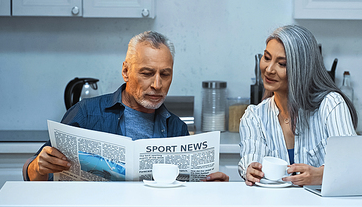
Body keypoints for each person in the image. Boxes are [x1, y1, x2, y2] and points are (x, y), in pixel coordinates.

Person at [23, 31, 228, 182]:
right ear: (126, 71)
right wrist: (38, 168)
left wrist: (212, 187)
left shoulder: (177, 128)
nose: (157, 85)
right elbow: (32, 174)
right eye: (147, 73)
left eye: (165, 74)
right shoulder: (86, 113)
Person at [238, 25, 358, 186]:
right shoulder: (254, 117)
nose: (269, 69)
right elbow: (251, 157)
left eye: (282, 64)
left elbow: (354, 164)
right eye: (267, 58)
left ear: (301, 69)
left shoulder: (331, 104)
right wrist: (250, 169)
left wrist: (321, 175)